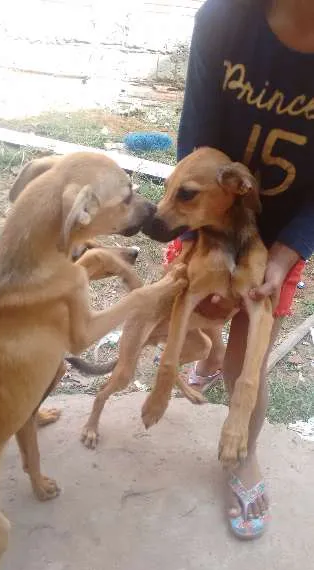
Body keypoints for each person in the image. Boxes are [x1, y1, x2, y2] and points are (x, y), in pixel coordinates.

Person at [165, 0, 314, 539]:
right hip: (211, 217)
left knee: (249, 352)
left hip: (279, 235)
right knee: (200, 312)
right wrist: (206, 243)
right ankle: (205, 360)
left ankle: (243, 455)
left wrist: (287, 251)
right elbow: (196, 143)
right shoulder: (225, 18)